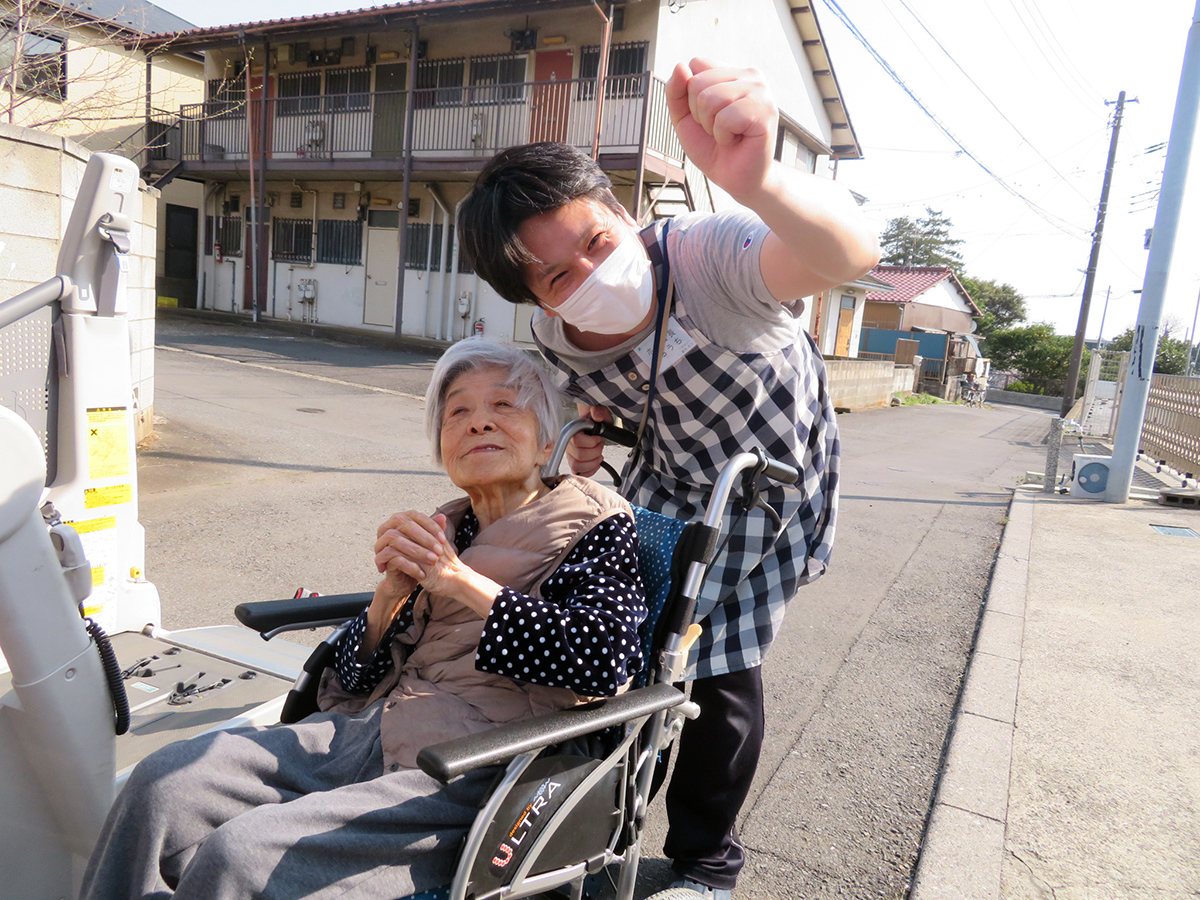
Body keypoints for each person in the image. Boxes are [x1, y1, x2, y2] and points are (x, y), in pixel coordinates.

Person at [457, 59, 880, 898]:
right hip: (667, 484)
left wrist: (758, 181)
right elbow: (615, 409)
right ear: (538, 301)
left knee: (716, 662)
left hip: (771, 486)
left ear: (621, 210)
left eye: (596, 241)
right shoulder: (561, 344)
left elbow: (841, 255)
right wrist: (593, 435)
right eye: (558, 275)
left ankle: (706, 866)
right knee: (625, 647)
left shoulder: (709, 259)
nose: (589, 272)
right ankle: (594, 818)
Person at [79, 340, 648, 900]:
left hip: (482, 769)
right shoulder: (450, 528)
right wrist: (388, 599)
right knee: (162, 786)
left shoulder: (592, 524)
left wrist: (457, 582)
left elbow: (601, 660)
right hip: (373, 732)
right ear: (442, 447)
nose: (479, 423)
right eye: (458, 412)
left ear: (547, 437)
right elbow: (346, 687)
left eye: (503, 405)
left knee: (242, 856)